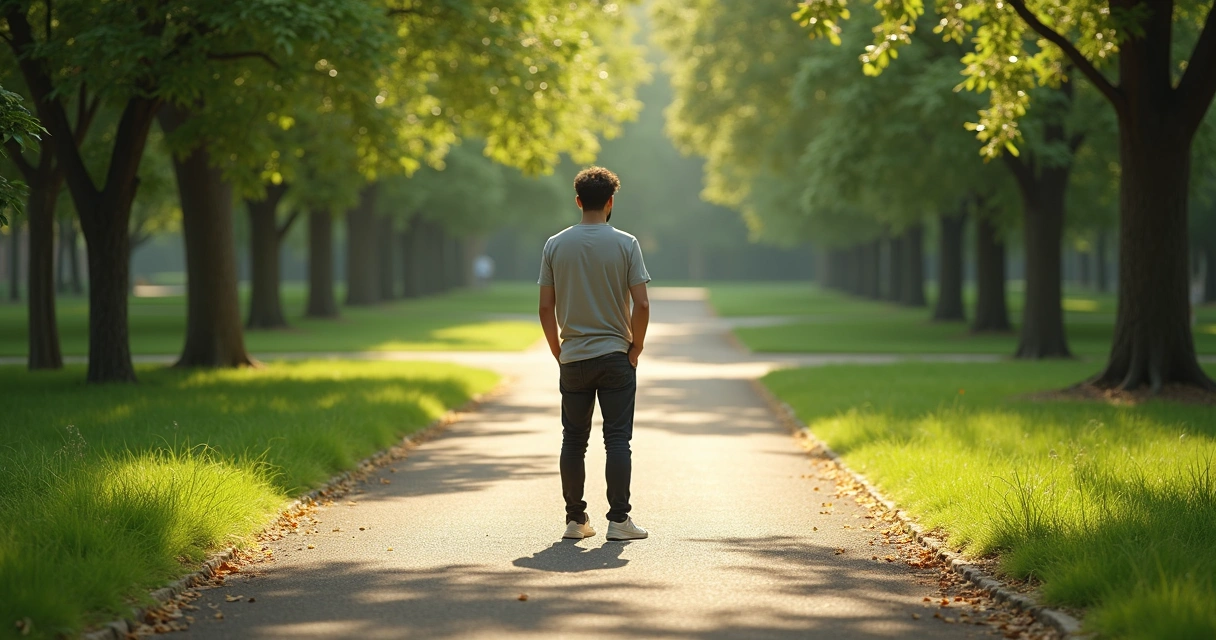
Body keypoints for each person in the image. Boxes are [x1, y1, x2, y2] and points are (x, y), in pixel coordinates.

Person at [537, 166, 651, 542]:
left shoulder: (555, 244)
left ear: (578, 201)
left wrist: (558, 352)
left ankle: (576, 521)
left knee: (573, 440)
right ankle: (619, 521)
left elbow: (544, 308)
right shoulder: (626, 243)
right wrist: (635, 348)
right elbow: (642, 305)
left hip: (574, 356)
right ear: (611, 202)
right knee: (617, 440)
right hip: (616, 355)